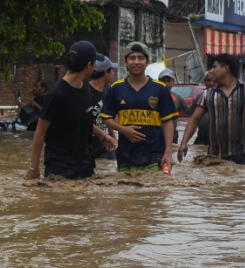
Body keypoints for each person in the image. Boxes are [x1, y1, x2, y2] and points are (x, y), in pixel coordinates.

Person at [26, 43, 117, 179]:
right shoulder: (56, 95)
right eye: (94, 62)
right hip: (60, 165)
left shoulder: (85, 85)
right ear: (88, 66)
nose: (96, 66)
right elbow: (40, 132)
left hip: (85, 161)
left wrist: (103, 136)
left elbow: (84, 119)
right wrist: (34, 168)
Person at [178, 53, 245, 166]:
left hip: (241, 156)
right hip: (213, 157)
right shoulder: (208, 94)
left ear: (226, 68)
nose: (211, 71)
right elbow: (195, 119)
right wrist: (183, 143)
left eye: (214, 67)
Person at [99, 42, 177, 173]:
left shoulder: (160, 89)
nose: (136, 62)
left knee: (152, 190)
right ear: (125, 61)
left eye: (141, 58)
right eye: (132, 58)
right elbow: (106, 117)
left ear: (148, 62)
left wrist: (168, 152)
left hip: (154, 154)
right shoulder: (116, 88)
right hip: (126, 154)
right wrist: (123, 130)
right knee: (126, 190)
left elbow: (168, 121)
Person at [89, 56, 119, 159]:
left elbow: (108, 119)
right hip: (88, 146)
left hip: (105, 146)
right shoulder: (85, 91)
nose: (113, 74)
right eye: (112, 71)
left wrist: (114, 141)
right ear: (106, 72)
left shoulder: (107, 93)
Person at [157, 68, 188, 143]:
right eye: (163, 81)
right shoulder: (152, 97)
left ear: (173, 82)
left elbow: (189, 111)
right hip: (156, 136)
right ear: (158, 82)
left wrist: (195, 104)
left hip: (172, 136)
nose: (166, 83)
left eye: (168, 81)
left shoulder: (177, 97)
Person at [192, 72, 216, 148]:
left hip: (216, 140)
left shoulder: (223, 97)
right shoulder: (200, 96)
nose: (211, 83)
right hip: (201, 138)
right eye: (208, 80)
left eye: (214, 81)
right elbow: (191, 117)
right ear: (204, 82)